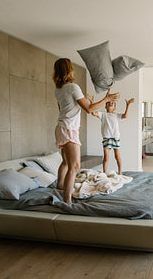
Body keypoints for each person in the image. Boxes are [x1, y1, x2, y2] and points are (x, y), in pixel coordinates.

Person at [53, 58, 120, 203]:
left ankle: (59, 187)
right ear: (69, 69)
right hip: (69, 129)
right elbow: (89, 109)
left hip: (61, 127)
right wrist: (105, 99)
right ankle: (67, 200)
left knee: (65, 162)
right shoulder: (73, 87)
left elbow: (63, 110)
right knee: (75, 165)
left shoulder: (58, 90)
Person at [87, 95, 134, 174]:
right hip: (107, 138)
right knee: (106, 157)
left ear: (114, 108)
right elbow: (93, 113)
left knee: (117, 156)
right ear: (105, 106)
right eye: (108, 103)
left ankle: (120, 172)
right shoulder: (102, 114)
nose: (110, 103)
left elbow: (125, 116)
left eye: (112, 103)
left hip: (115, 137)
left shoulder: (116, 115)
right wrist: (91, 102)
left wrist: (128, 105)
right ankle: (104, 172)